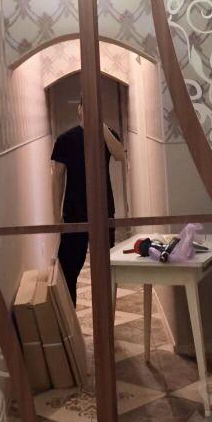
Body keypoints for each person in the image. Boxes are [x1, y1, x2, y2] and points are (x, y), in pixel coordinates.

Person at [51, 98, 125, 306]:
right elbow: (57, 178)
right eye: (87, 107)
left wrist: (101, 126)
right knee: (69, 268)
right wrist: (56, 215)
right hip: (74, 211)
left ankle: (105, 314)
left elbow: (120, 156)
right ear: (79, 109)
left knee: (105, 267)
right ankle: (71, 318)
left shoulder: (108, 134)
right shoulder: (66, 139)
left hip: (104, 210)